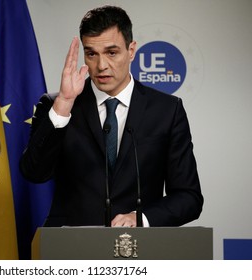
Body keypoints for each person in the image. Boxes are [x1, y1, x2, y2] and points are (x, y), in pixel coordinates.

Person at [20, 5, 203, 227]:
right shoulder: (56, 105)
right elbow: (34, 173)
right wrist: (64, 104)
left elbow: (189, 197)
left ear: (132, 50)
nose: (101, 66)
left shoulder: (167, 110)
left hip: (140, 249)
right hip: (71, 247)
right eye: (91, 54)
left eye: (112, 52)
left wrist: (141, 219)